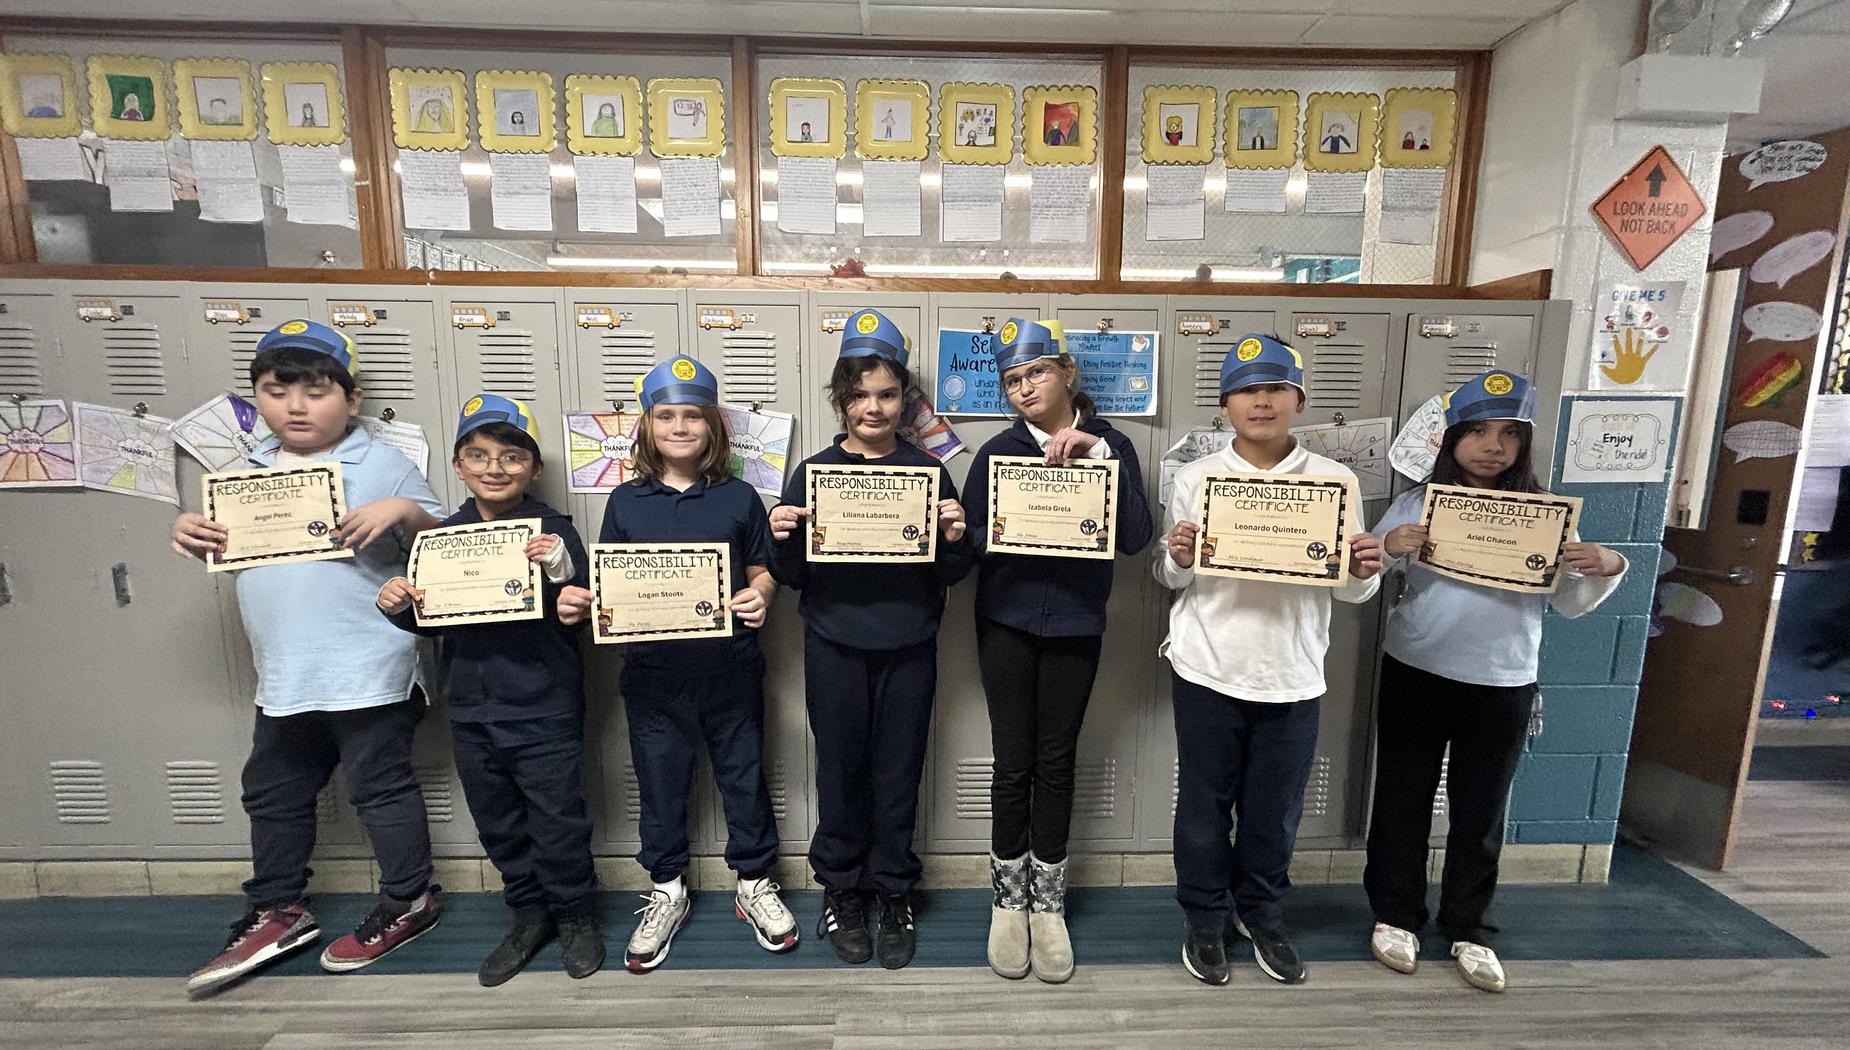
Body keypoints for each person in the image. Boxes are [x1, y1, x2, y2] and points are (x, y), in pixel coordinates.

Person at [171, 319, 445, 995]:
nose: (297, 405)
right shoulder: (240, 474)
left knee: (380, 789)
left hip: (371, 666)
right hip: (287, 673)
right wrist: (185, 528)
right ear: (257, 400)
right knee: (272, 792)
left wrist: (404, 510)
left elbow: (451, 545)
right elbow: (218, 546)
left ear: (350, 401)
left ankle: (410, 898)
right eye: (277, 390)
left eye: (317, 391)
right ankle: (276, 908)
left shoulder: (381, 463)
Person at [1363, 370, 1628, 994]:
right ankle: (1394, 915)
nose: (1493, 446)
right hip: (1417, 670)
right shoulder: (1416, 502)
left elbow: (1571, 603)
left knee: (1481, 811)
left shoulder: (1545, 515)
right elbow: (1364, 570)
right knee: (1401, 799)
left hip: (1503, 680)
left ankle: (1468, 927)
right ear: (1452, 438)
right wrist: (1390, 542)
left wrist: (1607, 566)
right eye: (1478, 431)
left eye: (1510, 434)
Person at [1156, 333, 1384, 988]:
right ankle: (1204, 917)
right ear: (1226, 404)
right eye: (1247, 389)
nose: (1262, 400)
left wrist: (1365, 570)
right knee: (1202, 805)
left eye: (1275, 387)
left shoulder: (1334, 481)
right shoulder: (1199, 479)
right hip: (1207, 667)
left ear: (1298, 400)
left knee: (1274, 809)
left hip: (1293, 672)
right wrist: (1177, 553)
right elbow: (1172, 579)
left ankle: (1262, 913)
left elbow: (1350, 588)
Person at [375, 394, 604, 986]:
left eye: (510, 456)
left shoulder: (554, 534)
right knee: (498, 820)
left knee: (558, 820)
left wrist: (559, 573)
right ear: (457, 467)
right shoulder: (442, 540)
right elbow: (428, 618)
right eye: (477, 455)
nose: (494, 467)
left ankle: (576, 915)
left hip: (544, 706)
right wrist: (398, 605)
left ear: (533, 468)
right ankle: (529, 915)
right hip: (472, 710)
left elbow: (573, 595)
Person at [770, 309, 974, 969]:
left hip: (909, 644)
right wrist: (781, 539)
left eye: (886, 394)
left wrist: (954, 536)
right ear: (841, 400)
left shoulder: (927, 472)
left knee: (897, 772)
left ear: (904, 400)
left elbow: (951, 573)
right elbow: (795, 578)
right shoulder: (813, 474)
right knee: (840, 771)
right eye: (859, 394)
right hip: (834, 644)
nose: (873, 407)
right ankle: (843, 889)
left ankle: (893, 889)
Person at [587, 355, 797, 974]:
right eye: (667, 416)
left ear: (714, 428)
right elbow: (612, 580)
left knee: (744, 775)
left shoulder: (739, 497)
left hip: (729, 668)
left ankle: (755, 882)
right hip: (652, 674)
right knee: (660, 780)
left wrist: (761, 595)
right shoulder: (626, 501)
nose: (680, 427)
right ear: (648, 427)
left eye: (693, 417)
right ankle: (667, 888)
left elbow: (762, 569)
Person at [960, 318, 1154, 983]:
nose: (1023, 389)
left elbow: (1134, 537)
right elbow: (965, 549)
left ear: (1066, 372)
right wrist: (971, 531)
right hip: (1007, 622)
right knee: (1012, 761)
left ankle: (1049, 902)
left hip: (1075, 624)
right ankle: (1007, 900)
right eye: (1012, 380)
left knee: (1057, 760)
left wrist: (1099, 459)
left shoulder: (1114, 445)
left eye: (1035, 373)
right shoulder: (995, 452)